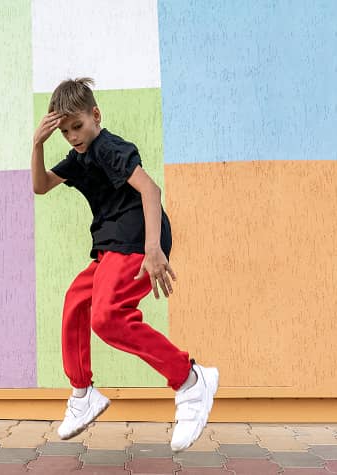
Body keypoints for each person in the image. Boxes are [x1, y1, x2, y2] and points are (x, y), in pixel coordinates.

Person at [31, 77, 219, 451]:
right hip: (110, 246)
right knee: (76, 303)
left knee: (108, 317)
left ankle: (189, 380)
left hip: (136, 239)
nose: (72, 136)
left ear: (95, 115)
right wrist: (37, 143)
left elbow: (151, 190)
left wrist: (154, 250)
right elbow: (40, 185)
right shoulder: (79, 157)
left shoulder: (107, 147)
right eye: (65, 131)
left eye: (78, 126)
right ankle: (83, 394)